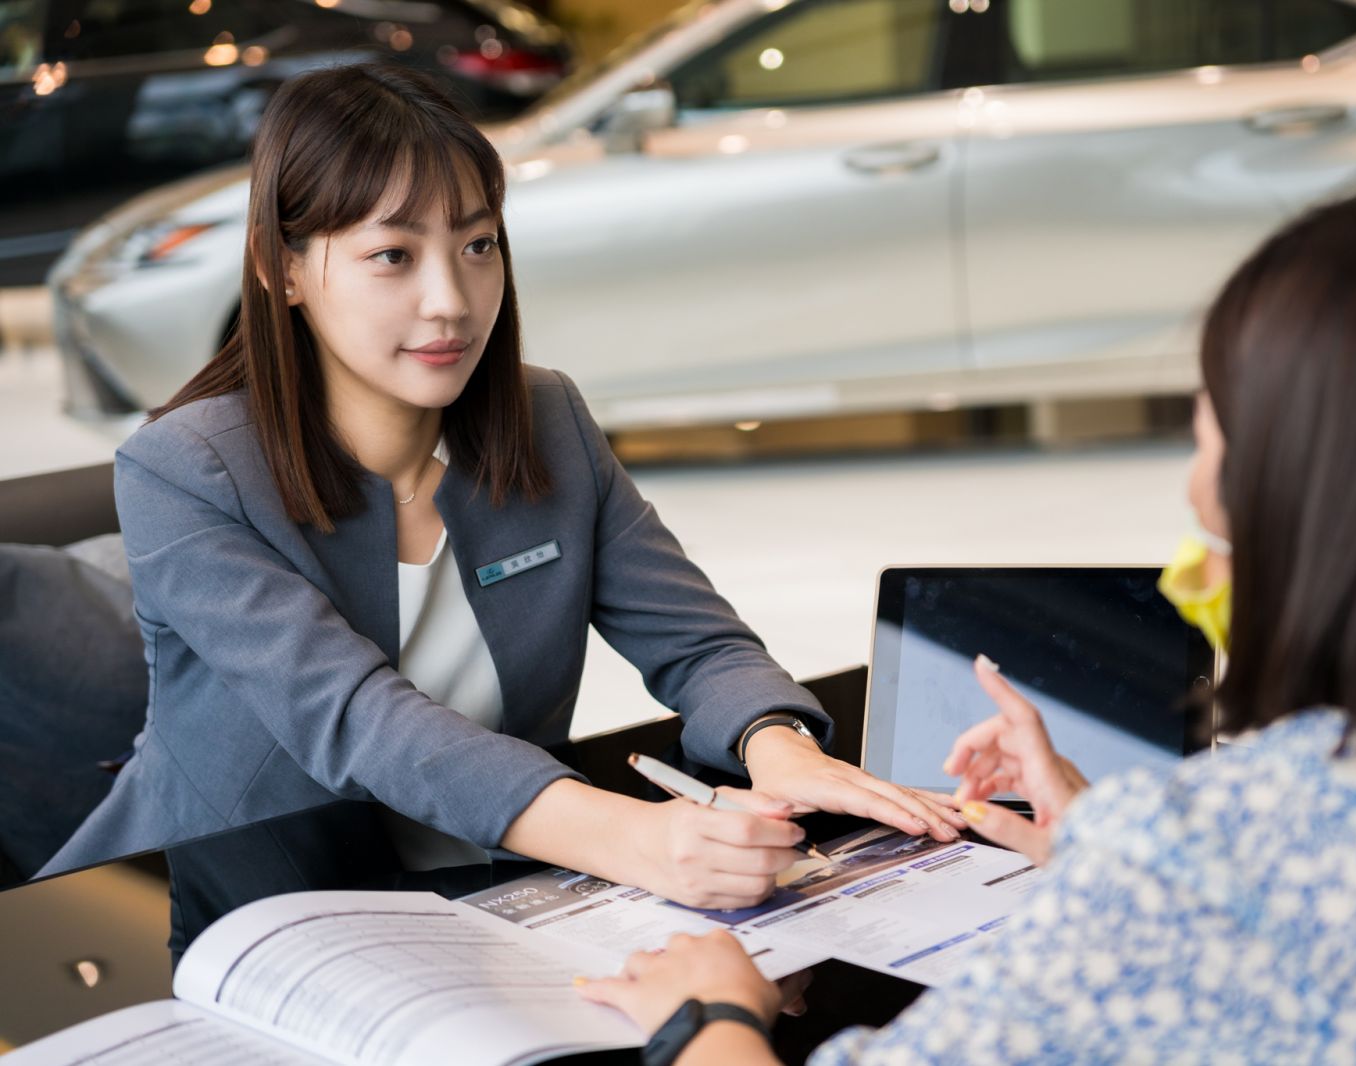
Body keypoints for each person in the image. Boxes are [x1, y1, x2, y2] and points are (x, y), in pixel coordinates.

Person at [576, 179, 1356, 1063]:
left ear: (1301, 510)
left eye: (1209, 439)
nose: (1197, 492)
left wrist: (705, 1017)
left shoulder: (1206, 857)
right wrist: (1114, 844)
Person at [38, 64, 964, 924]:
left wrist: (780, 749)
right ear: (283, 269)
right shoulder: (182, 469)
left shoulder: (544, 416)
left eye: (478, 244)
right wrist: (636, 840)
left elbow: (697, 641)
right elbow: (356, 719)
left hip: (492, 887)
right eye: (392, 256)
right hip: (225, 904)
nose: (451, 299)